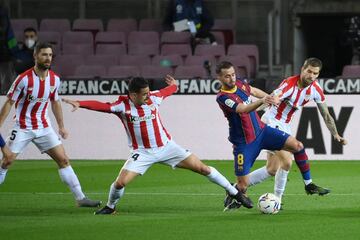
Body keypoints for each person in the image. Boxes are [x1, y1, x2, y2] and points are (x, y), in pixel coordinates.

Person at [62, 76, 248, 215]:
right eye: (143, 94)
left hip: (168, 147)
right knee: (120, 183)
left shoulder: (154, 97)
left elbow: (169, 90)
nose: (147, 96)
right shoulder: (122, 106)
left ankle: (234, 193)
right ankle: (111, 207)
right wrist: (80, 103)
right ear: (132, 94)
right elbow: (101, 106)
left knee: (203, 168)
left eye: (148, 92)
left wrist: (174, 84)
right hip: (142, 153)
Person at [0, 42, 101, 208]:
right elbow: (9, 102)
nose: (48, 58)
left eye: (50, 55)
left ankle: (81, 198)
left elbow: (55, 102)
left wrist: (61, 126)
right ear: (35, 56)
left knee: (63, 159)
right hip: (23, 127)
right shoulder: (23, 79)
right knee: (7, 161)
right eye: (44, 54)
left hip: (44, 127)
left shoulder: (54, 79)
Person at [215, 61, 321, 210]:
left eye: (233, 74)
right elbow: (243, 109)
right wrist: (263, 101)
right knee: (243, 185)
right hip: (245, 142)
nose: (232, 79)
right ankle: (234, 192)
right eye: (227, 76)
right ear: (219, 77)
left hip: (263, 131)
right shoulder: (223, 97)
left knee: (297, 146)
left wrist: (270, 99)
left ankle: (302, 186)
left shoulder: (239, 83)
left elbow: (253, 90)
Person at [247, 58, 347, 201]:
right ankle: (282, 198)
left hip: (285, 125)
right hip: (271, 121)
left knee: (272, 169)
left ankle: (235, 188)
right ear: (302, 69)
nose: (311, 76)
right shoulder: (289, 84)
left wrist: (336, 134)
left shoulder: (316, 89)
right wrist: (252, 112)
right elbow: (270, 99)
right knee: (287, 162)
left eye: (315, 73)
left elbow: (326, 114)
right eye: (309, 71)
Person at [0, 3, 19, 94]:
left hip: (4, 53)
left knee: (6, 83)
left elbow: (7, 31)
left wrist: (13, 52)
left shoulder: (3, 10)